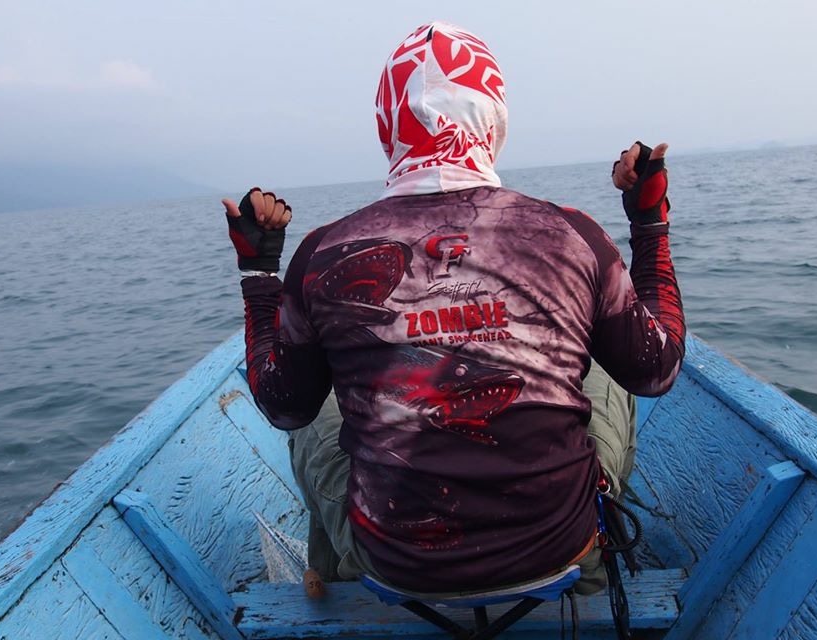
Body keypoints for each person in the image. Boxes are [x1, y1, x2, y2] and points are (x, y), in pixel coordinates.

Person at [223, 21, 685, 595]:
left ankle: (338, 581)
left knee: (312, 410)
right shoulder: (573, 233)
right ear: (494, 121)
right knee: (614, 372)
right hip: (558, 548)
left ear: (384, 126)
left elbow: (283, 407)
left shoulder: (322, 253)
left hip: (395, 564)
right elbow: (658, 369)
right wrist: (648, 223)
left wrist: (260, 274)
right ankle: (593, 572)